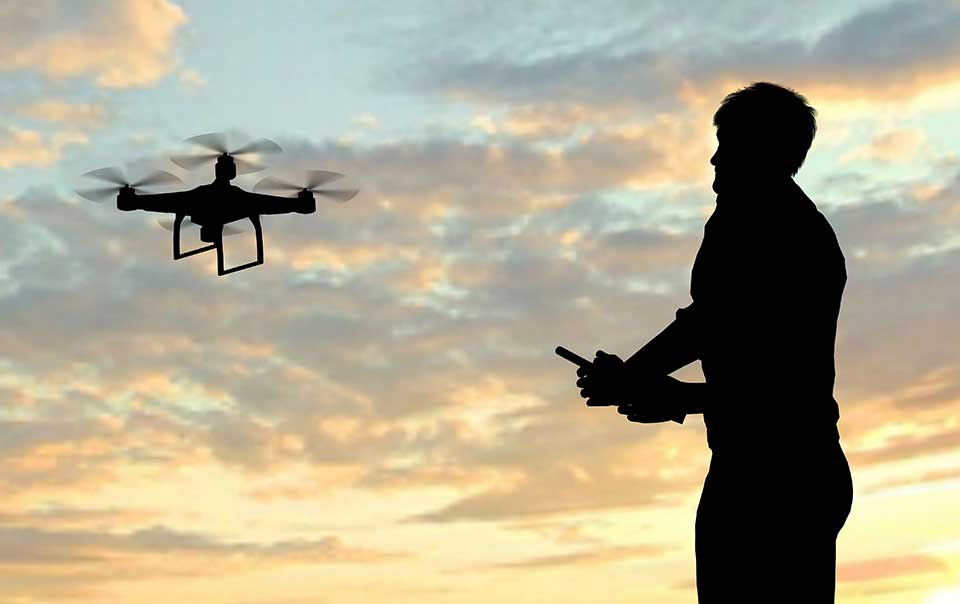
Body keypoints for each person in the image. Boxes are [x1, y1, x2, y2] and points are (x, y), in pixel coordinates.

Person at [575, 82, 854, 603]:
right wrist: (633, 377)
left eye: (727, 144)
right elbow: (707, 323)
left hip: (785, 479)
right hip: (753, 469)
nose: (714, 158)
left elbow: (784, 389)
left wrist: (673, 396)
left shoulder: (796, 238)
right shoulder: (739, 223)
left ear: (761, 151)